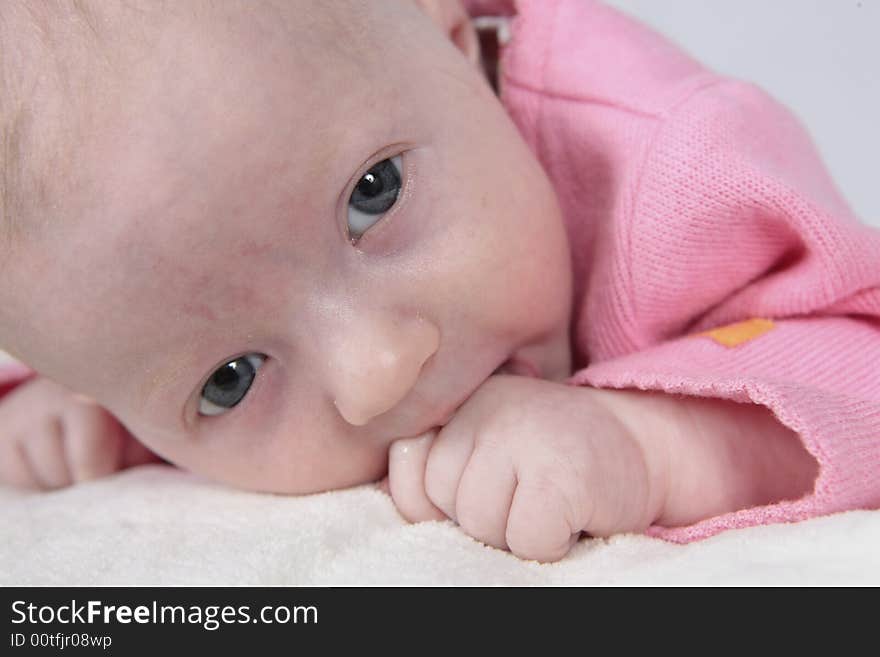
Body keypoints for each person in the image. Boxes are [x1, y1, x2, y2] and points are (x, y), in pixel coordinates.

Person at [0, 0, 877, 563]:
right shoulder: (124, 291)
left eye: (372, 197)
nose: (376, 371)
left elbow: (861, 361)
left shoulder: (684, 168)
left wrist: (648, 443)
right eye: (230, 379)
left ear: (455, 43)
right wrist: (55, 406)